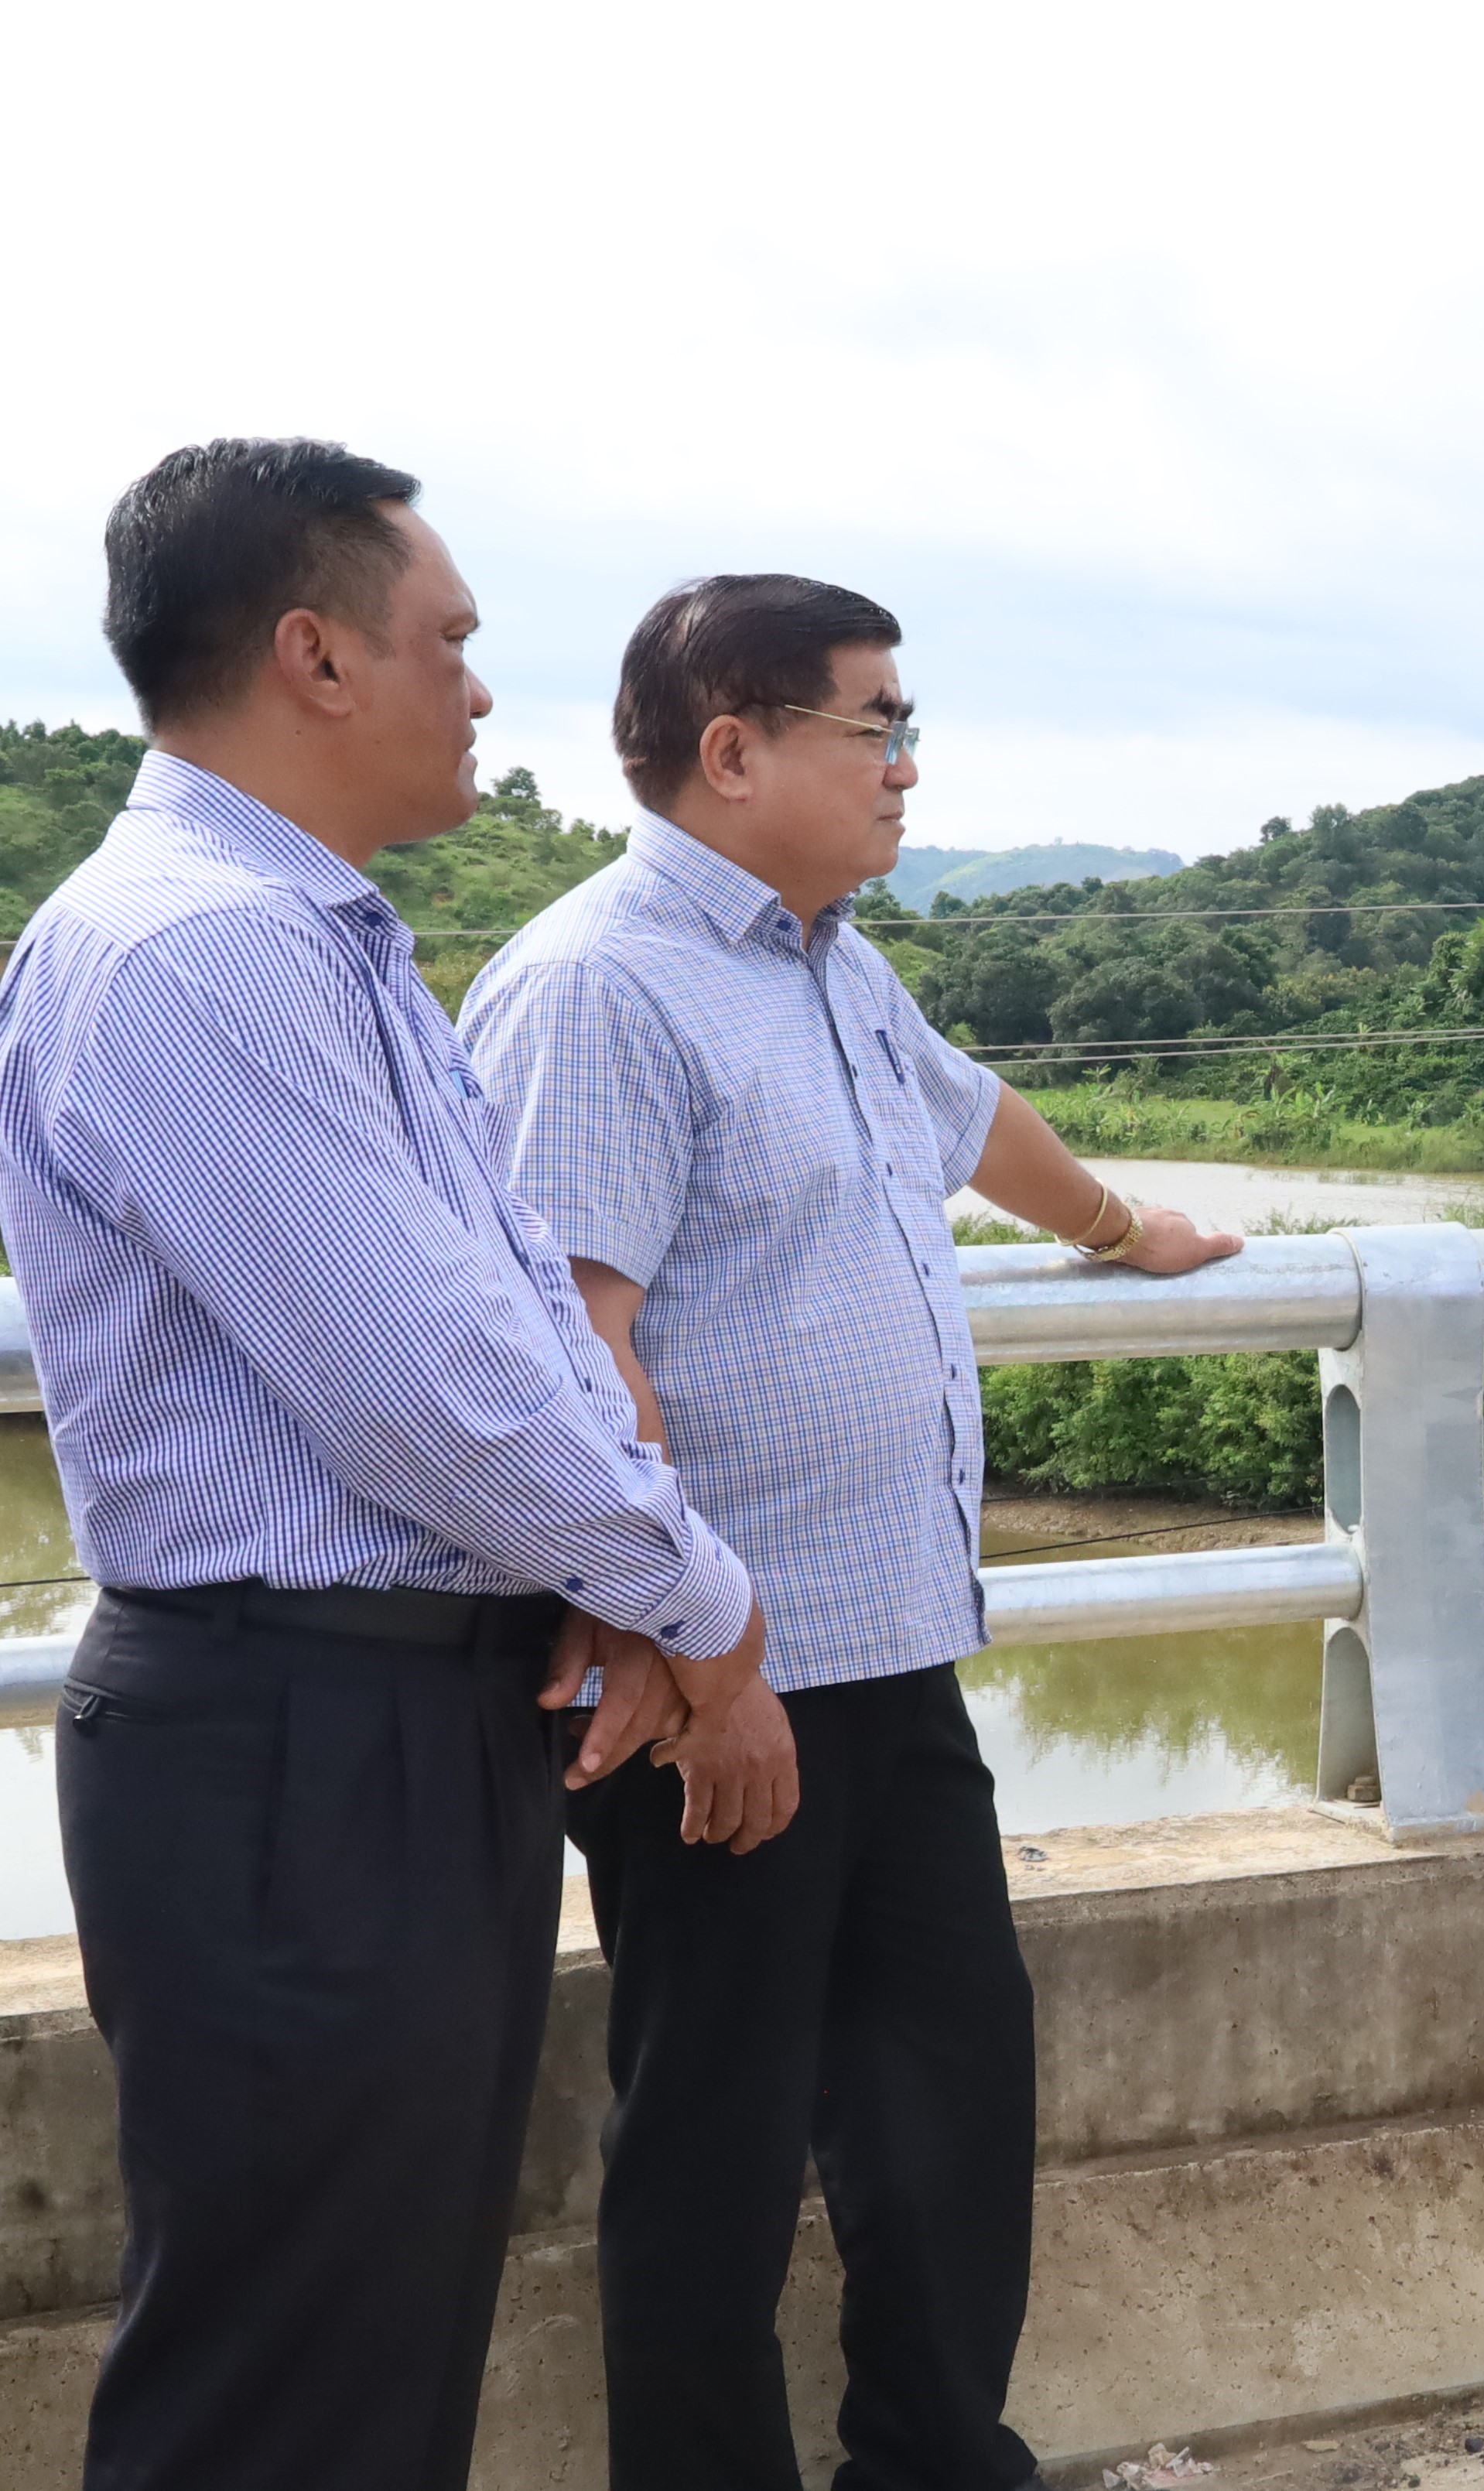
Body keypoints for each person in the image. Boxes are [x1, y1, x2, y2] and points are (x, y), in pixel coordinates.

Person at [0, 440, 778, 2489]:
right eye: (447, 639)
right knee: (285, 2375)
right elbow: (429, 1382)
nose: (478, 686)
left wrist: (611, 1573)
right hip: (291, 1729)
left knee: (374, 2337)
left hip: (384, 1710)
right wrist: (702, 1598)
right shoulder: (196, 954)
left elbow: (514, 1307)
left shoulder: (323, 938)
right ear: (312, 654)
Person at [457, 573, 1240, 2491]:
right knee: (715, 2143)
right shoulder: (598, 983)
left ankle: (934, 2456)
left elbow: (975, 1121)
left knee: (949, 2093)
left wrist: (1122, 1233)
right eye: (872, 727)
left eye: (908, 728)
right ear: (731, 751)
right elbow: (579, 1356)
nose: (907, 767)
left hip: (891, 1643)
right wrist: (690, 1655)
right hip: (725, 1674)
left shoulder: (825, 959)